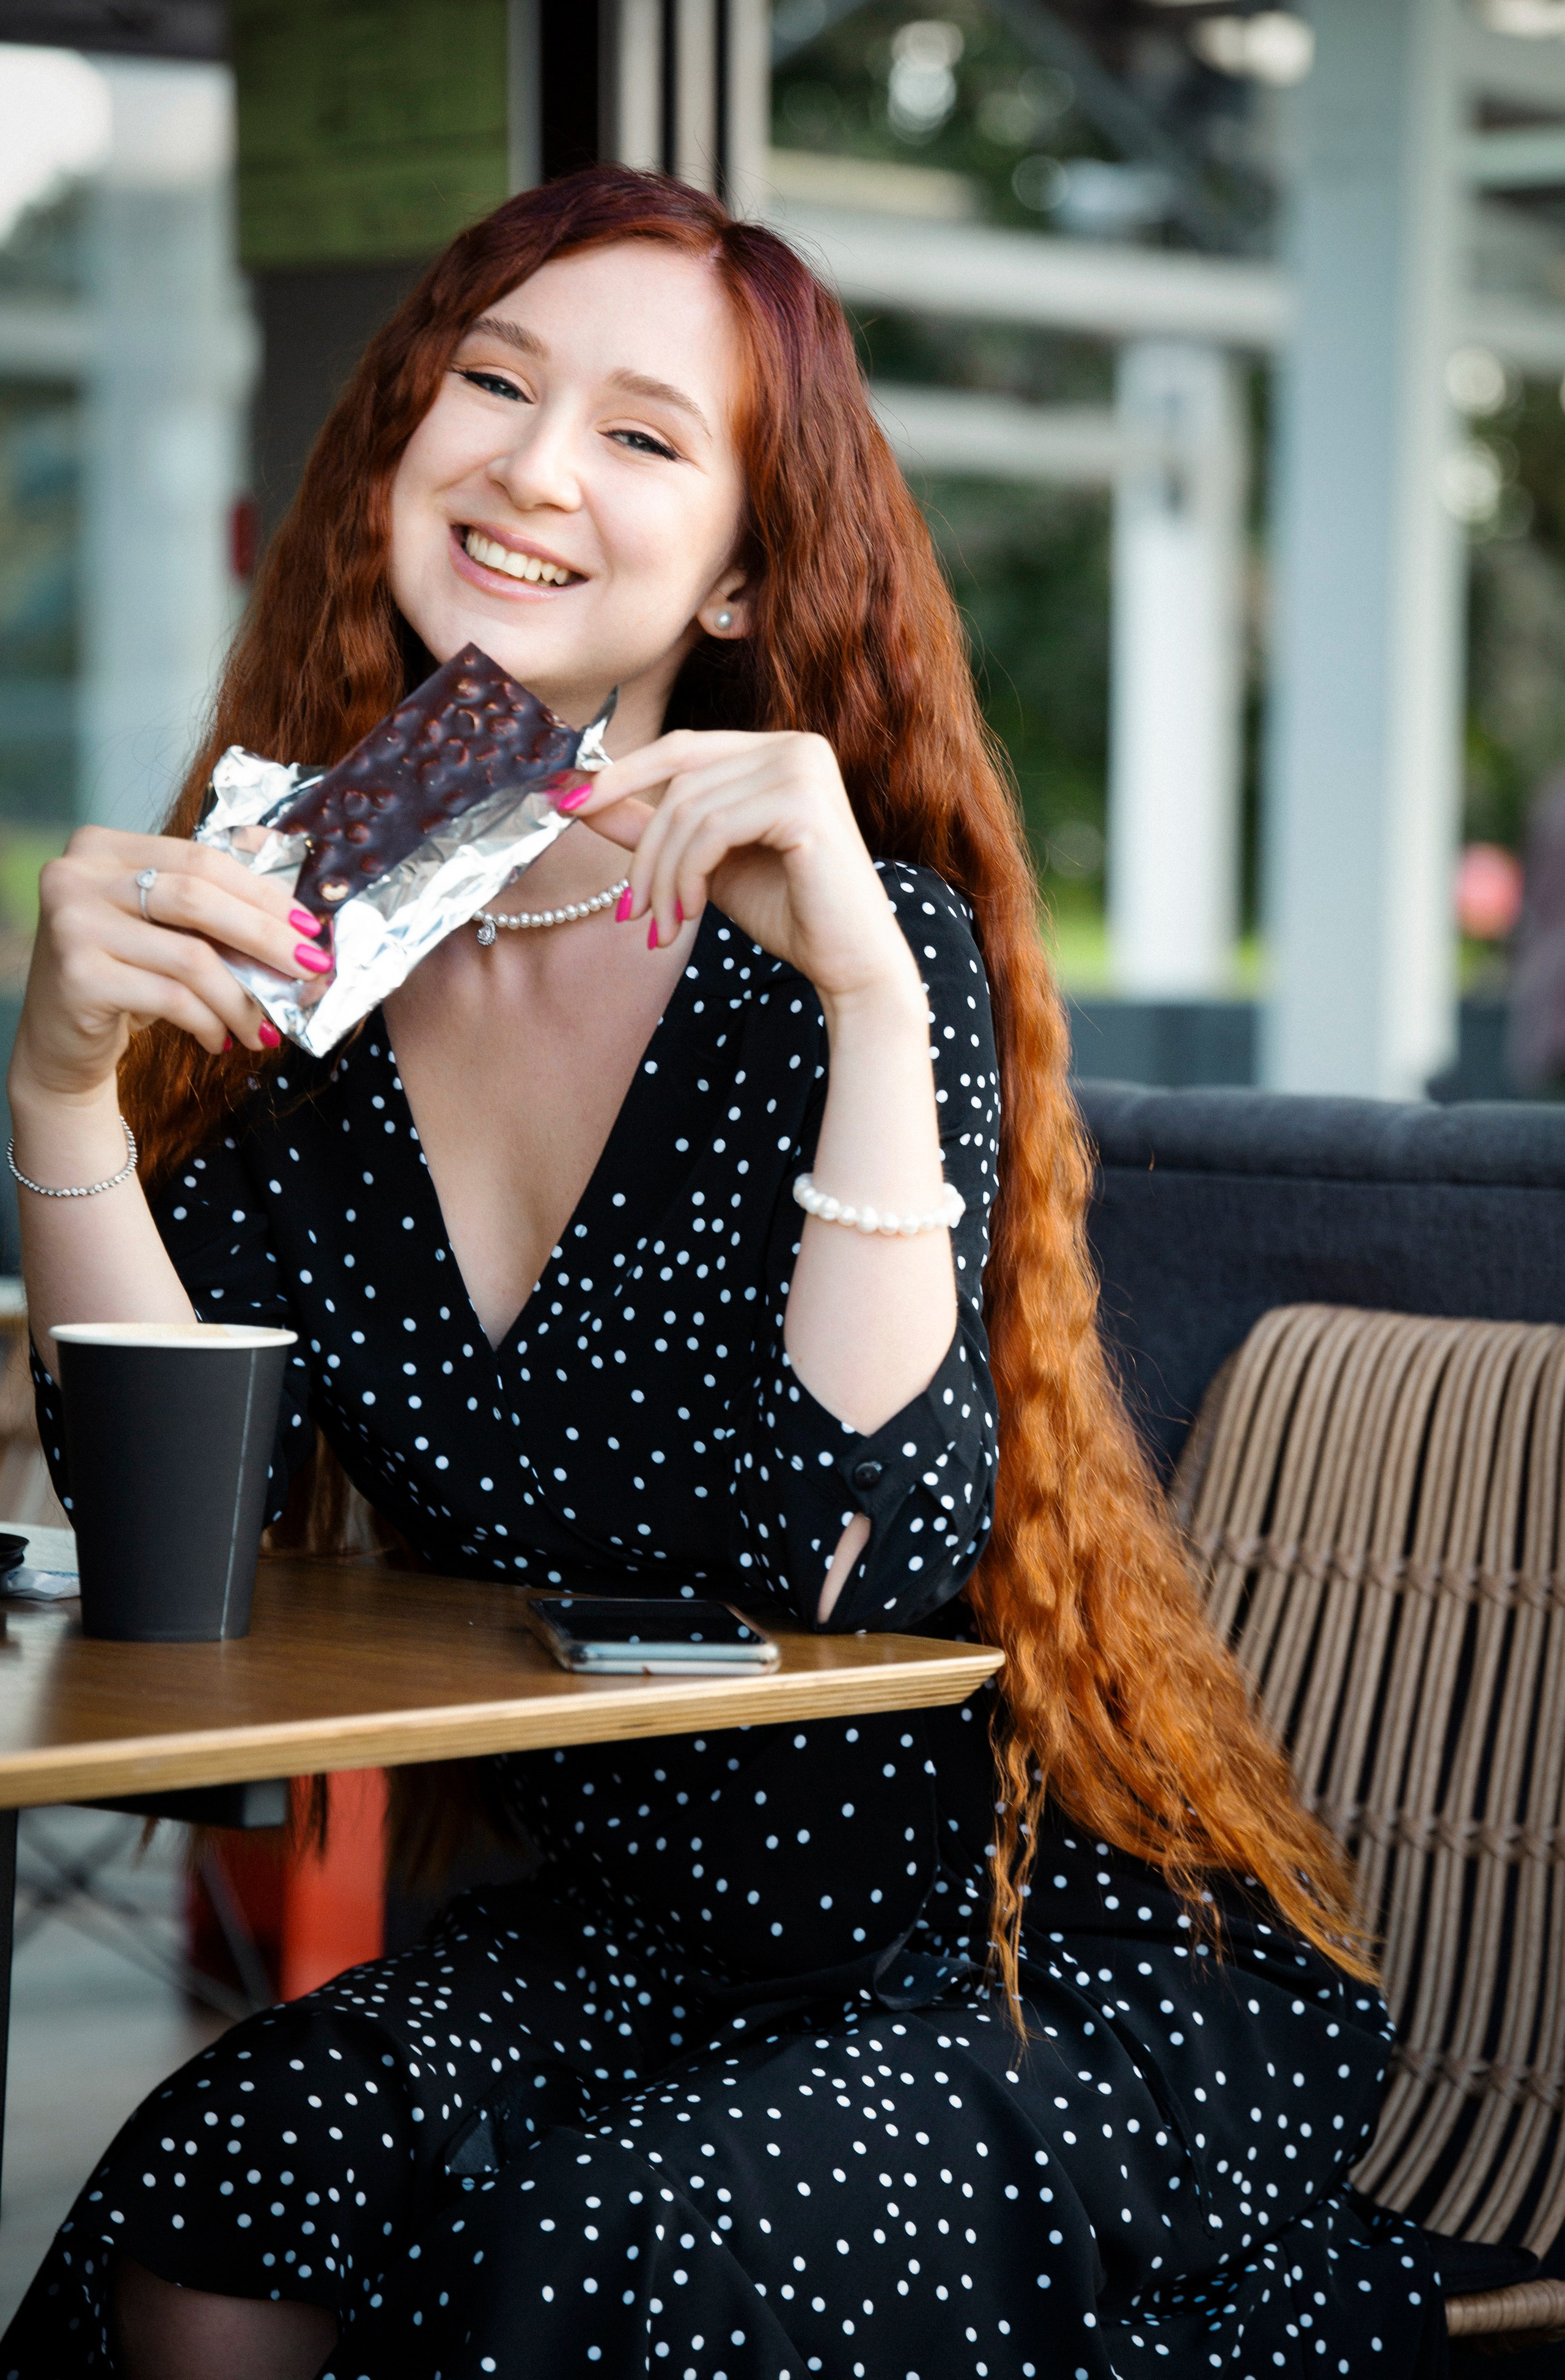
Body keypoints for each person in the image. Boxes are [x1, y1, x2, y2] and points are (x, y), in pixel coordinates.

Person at [2, 168, 1442, 2380]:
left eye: (646, 435)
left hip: (1015, 1948)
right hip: (638, 1934)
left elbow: (856, 1546)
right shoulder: (316, 952)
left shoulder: (854, 950)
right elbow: (163, 1530)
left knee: (611, 2248)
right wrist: (66, 1103)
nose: (533, 463)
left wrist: (875, 1002)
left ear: (753, 567)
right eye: (488, 384)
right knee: (222, 2181)